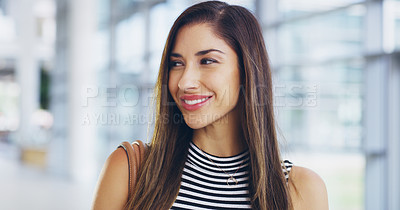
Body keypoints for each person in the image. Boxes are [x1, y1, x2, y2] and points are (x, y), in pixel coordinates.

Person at [91, 1, 329, 209]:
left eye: (207, 61)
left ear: (246, 72)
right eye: (176, 64)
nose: (184, 82)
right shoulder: (129, 169)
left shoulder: (301, 190)